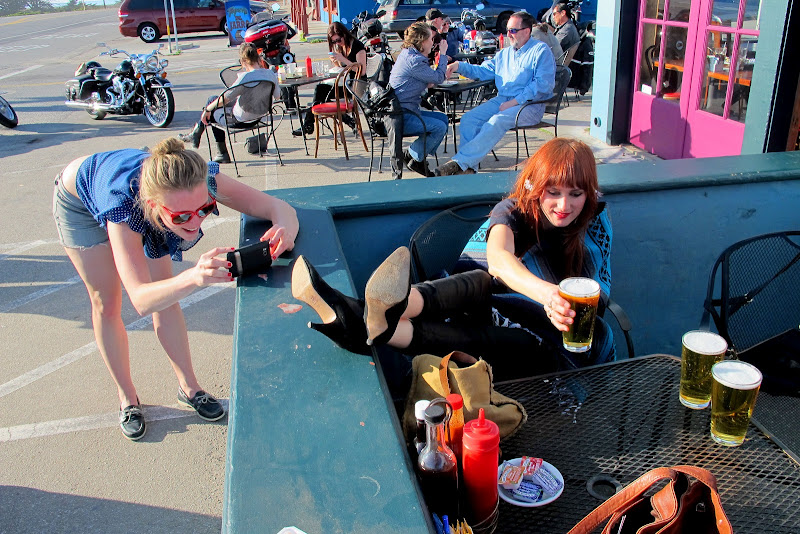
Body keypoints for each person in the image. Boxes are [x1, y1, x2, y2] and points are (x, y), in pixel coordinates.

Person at [291, 138, 615, 379]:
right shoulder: (514, 211)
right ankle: (380, 313)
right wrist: (548, 295)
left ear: (588, 193)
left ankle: (354, 316)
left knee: (506, 338)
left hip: (548, 342)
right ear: (535, 185)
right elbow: (498, 259)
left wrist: (560, 309)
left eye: (575, 194)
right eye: (553, 192)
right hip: (489, 307)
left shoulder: (594, 223)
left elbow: (597, 297)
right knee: (481, 280)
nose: (564, 205)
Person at [52, 138, 299, 440]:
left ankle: (189, 388)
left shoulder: (197, 178)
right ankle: (127, 397)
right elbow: (141, 299)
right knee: (106, 300)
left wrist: (285, 230)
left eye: (205, 209)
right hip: (79, 199)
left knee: (167, 295)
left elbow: (279, 207)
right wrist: (193, 276)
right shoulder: (123, 207)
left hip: (144, 195)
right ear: (154, 207)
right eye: (182, 216)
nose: (195, 223)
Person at [435, 11, 555, 176]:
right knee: (469, 119)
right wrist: (458, 66)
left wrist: (514, 102)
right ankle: (468, 168)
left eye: (513, 30)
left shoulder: (540, 51)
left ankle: (460, 163)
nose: (508, 34)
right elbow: (484, 71)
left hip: (530, 105)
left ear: (527, 31)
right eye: (507, 30)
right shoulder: (505, 53)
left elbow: (542, 85)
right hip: (503, 100)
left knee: (497, 121)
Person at [179, 42, 278, 163]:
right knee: (212, 99)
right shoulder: (270, 74)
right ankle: (196, 133)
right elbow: (277, 96)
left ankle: (221, 153)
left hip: (240, 120)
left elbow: (225, 99)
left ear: (243, 61)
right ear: (259, 58)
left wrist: (207, 109)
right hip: (259, 117)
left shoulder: (244, 78)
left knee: (212, 111)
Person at [389, 22, 450, 178]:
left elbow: (428, 79)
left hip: (408, 109)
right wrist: (443, 54)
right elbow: (439, 77)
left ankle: (415, 156)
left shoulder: (408, 54)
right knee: (439, 128)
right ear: (422, 42)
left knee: (444, 119)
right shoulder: (414, 61)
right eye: (431, 39)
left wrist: (429, 79)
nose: (433, 43)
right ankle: (413, 157)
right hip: (400, 116)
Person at [292, 21, 367, 137]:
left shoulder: (357, 46)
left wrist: (343, 59)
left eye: (338, 40)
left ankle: (309, 125)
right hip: (344, 84)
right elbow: (342, 69)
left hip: (356, 86)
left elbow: (362, 71)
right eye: (334, 42)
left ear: (344, 34)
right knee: (320, 91)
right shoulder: (341, 47)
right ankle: (310, 124)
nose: (337, 43)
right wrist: (336, 61)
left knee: (321, 96)